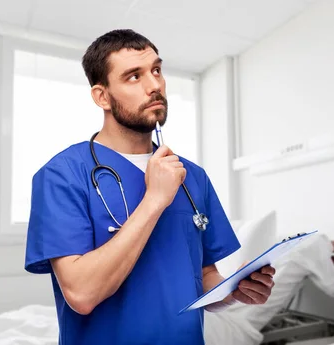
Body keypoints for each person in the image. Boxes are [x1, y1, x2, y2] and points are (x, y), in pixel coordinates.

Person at [24, 29, 276, 345]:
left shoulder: (191, 176)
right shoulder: (62, 175)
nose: (155, 85)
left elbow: (204, 275)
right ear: (102, 96)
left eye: (157, 70)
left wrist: (233, 291)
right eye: (134, 76)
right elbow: (81, 293)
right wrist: (155, 199)